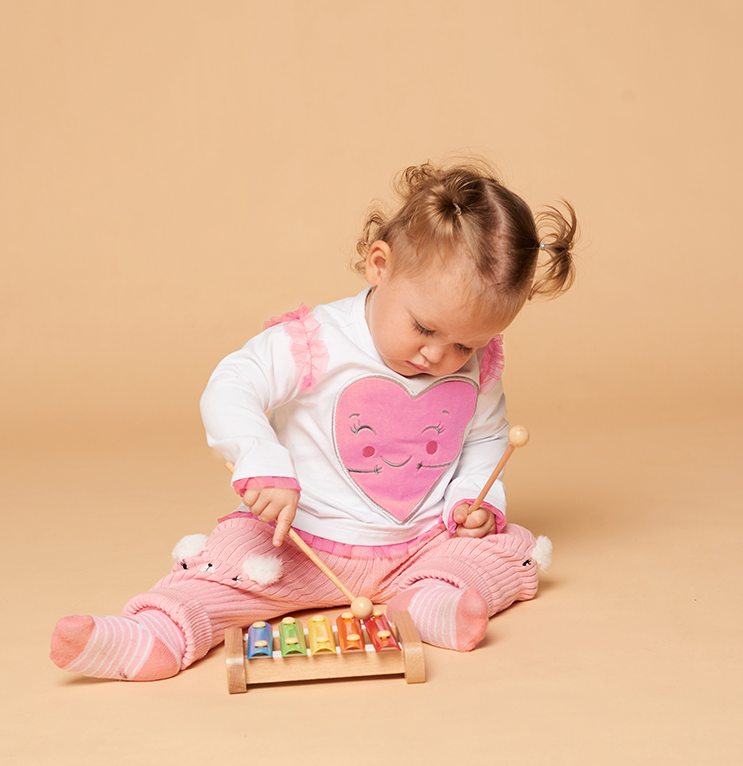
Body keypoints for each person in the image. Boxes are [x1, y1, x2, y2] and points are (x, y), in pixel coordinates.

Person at [51, 159, 577, 681]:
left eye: (465, 344)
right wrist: (261, 461)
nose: (438, 356)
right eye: (424, 328)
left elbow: (485, 437)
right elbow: (232, 385)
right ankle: (155, 633)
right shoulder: (315, 340)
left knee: (508, 551)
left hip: (421, 546)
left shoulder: (478, 365)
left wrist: (471, 498)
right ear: (380, 265)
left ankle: (429, 600)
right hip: (301, 545)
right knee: (222, 569)